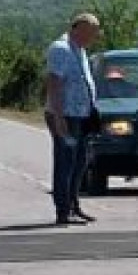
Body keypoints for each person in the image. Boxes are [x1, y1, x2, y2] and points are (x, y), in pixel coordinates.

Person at [45, 12, 102, 226]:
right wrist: (58, 117)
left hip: (81, 114)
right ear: (78, 29)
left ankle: (73, 205)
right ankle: (63, 210)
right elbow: (54, 83)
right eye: (91, 33)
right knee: (65, 163)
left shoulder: (80, 49)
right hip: (66, 114)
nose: (93, 38)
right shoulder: (61, 49)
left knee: (80, 163)